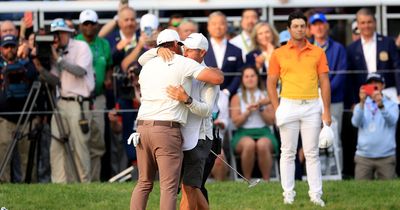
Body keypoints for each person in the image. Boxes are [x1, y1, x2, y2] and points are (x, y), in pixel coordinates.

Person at [131, 29, 223, 210]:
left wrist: (187, 100)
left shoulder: (150, 65)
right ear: (176, 45)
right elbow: (218, 77)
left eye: (190, 49)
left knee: (179, 186)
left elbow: (209, 105)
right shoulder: (181, 62)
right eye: (183, 47)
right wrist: (158, 51)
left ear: (203, 52)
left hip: (193, 136)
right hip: (170, 132)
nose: (186, 52)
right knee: (174, 188)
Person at [267, 11, 331, 207]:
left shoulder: (318, 52)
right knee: (288, 152)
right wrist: (277, 108)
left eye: (302, 26)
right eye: (295, 26)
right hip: (288, 105)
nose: (299, 29)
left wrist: (326, 110)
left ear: (307, 28)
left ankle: (316, 194)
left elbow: (324, 82)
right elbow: (271, 83)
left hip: (312, 105)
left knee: (311, 153)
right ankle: (288, 193)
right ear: (288, 29)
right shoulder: (278, 53)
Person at [34, 18, 95, 183]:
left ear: (68, 34)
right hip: (60, 102)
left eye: (60, 34)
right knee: (57, 145)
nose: (57, 38)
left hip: (79, 102)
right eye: (54, 34)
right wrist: (40, 68)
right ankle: (59, 184)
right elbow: (56, 81)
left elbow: (80, 71)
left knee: (80, 146)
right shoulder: (56, 52)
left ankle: (84, 183)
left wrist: (60, 60)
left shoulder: (81, 46)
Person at [76, 9, 113, 182]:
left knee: (97, 140)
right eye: (86, 24)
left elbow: (109, 65)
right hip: (79, 98)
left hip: (98, 97)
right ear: (80, 26)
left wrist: (106, 79)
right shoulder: (74, 42)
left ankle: (95, 180)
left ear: (97, 25)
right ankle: (81, 180)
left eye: (92, 23)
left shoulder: (104, 44)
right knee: (80, 140)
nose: (89, 27)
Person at [309, 12, 347, 173]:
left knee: (333, 135)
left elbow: (341, 73)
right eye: (315, 24)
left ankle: (336, 171)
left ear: (327, 27)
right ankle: (318, 171)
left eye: (322, 24)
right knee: (313, 136)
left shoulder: (338, 48)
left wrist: (325, 91)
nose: (319, 27)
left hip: (334, 99)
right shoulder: (306, 49)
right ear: (310, 29)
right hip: (310, 100)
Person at [230, 65, 278, 181]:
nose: (250, 79)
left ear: (257, 78)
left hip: (264, 131)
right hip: (243, 132)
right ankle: (247, 180)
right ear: (242, 79)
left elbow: (271, 120)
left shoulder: (266, 96)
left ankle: (267, 180)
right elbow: (236, 122)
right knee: (249, 144)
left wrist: (260, 109)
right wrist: (247, 112)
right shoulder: (237, 97)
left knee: (262, 144)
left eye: (252, 76)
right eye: (246, 76)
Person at [0, 34, 36, 182]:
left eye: (12, 46)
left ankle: (30, 190)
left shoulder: (27, 64)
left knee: (26, 158)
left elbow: (35, 81)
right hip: (4, 119)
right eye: (6, 47)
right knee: (3, 159)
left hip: (26, 118)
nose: (10, 50)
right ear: (1, 49)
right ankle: (5, 191)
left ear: (17, 47)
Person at [351, 73, 398, 180]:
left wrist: (380, 105)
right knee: (360, 192)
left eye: (376, 84)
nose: (373, 86)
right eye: (370, 84)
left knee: (388, 193)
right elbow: (355, 123)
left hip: (386, 157)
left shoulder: (392, 104)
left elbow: (392, 121)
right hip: (364, 157)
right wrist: (362, 103)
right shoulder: (360, 105)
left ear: (383, 86)